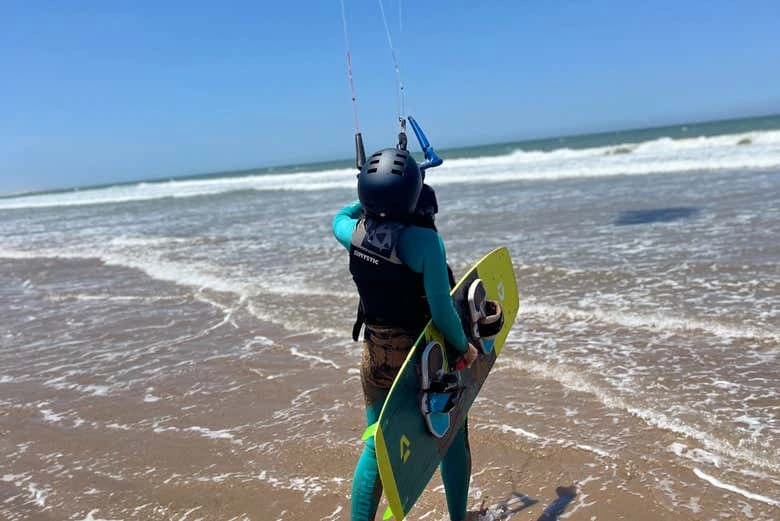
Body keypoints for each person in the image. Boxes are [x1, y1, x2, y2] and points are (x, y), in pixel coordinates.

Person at [332, 146, 479, 521]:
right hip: (421, 358)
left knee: (376, 447)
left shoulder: (351, 234)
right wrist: (464, 348)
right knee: (452, 435)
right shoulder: (424, 243)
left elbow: (340, 216)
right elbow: (443, 312)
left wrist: (367, 199)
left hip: (375, 357)